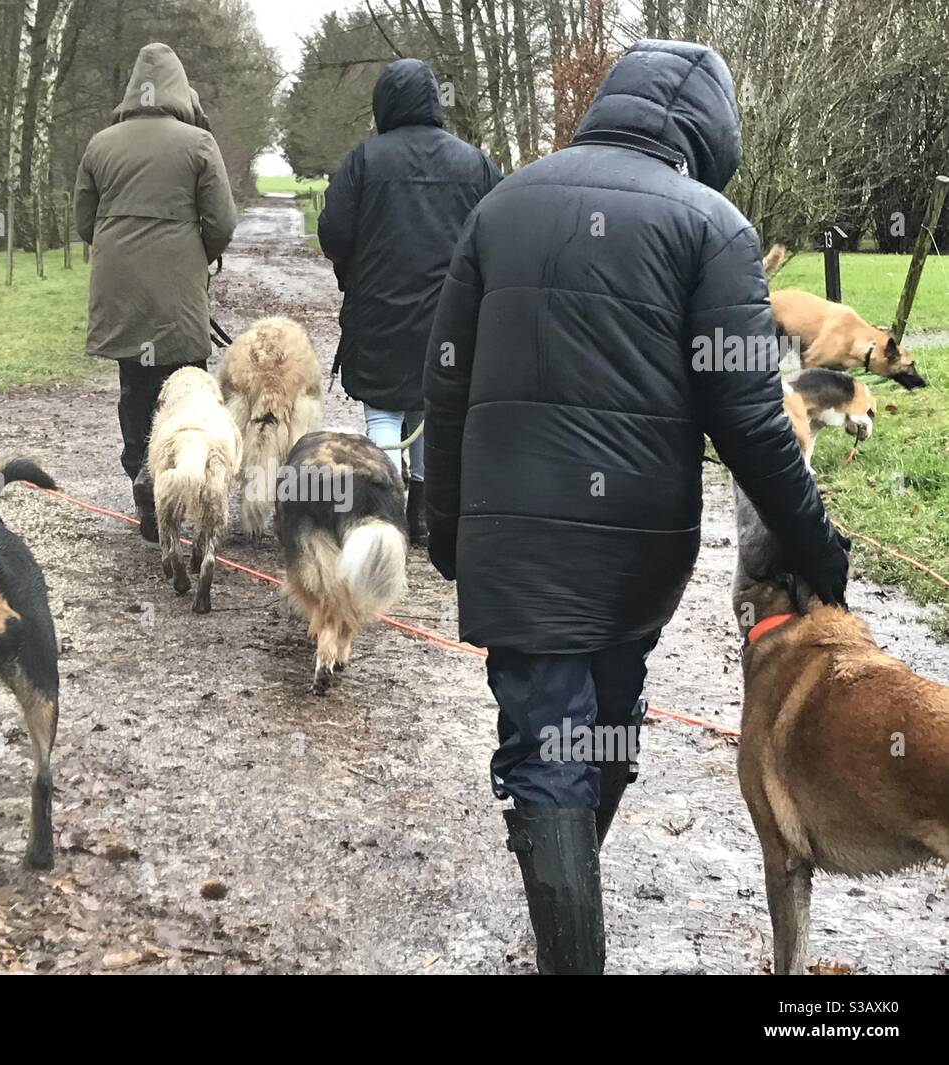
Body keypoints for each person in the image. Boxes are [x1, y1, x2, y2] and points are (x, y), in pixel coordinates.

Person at [423, 40, 851, 974]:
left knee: (583, 742)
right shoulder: (713, 225)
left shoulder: (504, 204)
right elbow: (750, 416)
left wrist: (447, 525)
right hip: (633, 551)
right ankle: (565, 927)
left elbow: (442, 385)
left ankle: (558, 898)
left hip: (519, 547)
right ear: (708, 136)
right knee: (581, 740)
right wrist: (820, 545)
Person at [318, 59, 502, 546]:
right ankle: (421, 516)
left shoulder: (364, 161)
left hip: (378, 315)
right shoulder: (474, 163)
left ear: (384, 103)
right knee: (430, 410)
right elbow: (499, 232)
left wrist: (353, 269)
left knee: (383, 411)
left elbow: (333, 232)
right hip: (451, 318)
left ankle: (382, 515)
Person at [74, 43, 237, 541]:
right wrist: (195, 255)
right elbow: (222, 222)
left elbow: (85, 222)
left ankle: (142, 479)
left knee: (135, 387)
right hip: (178, 293)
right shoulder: (198, 145)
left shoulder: (100, 144)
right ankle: (182, 481)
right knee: (187, 387)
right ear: (180, 88)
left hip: (122, 290)